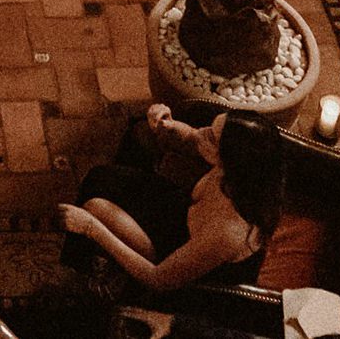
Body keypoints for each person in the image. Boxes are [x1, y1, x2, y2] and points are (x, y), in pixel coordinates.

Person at [59, 107, 286, 297]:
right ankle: (81, 260)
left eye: (211, 136)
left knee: (94, 208)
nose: (202, 133)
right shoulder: (244, 174)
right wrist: (168, 123)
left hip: (172, 256)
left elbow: (158, 279)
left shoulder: (228, 232)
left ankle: (91, 276)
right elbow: (192, 137)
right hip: (180, 212)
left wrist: (90, 227)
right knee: (101, 176)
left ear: (228, 157)